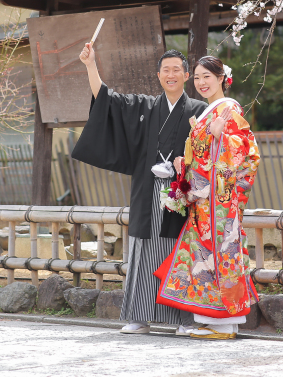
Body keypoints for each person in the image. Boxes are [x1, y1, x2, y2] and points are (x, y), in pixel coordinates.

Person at [72, 44, 207, 335]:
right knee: (143, 250)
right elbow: (106, 98)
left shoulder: (199, 110)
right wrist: (90, 65)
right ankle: (139, 317)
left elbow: (208, 153)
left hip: (182, 192)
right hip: (147, 189)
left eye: (176, 70)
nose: (171, 75)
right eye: (165, 70)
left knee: (179, 251)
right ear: (158, 75)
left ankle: (184, 319)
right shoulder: (145, 107)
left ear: (186, 75)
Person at [154, 56, 261, 340]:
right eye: (198, 77)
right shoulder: (210, 112)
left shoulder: (228, 111)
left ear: (221, 78)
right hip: (206, 202)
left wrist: (219, 139)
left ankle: (224, 323)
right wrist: (184, 166)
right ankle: (210, 320)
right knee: (204, 259)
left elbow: (243, 155)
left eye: (207, 77)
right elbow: (200, 156)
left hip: (219, 205)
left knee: (219, 257)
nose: (201, 83)